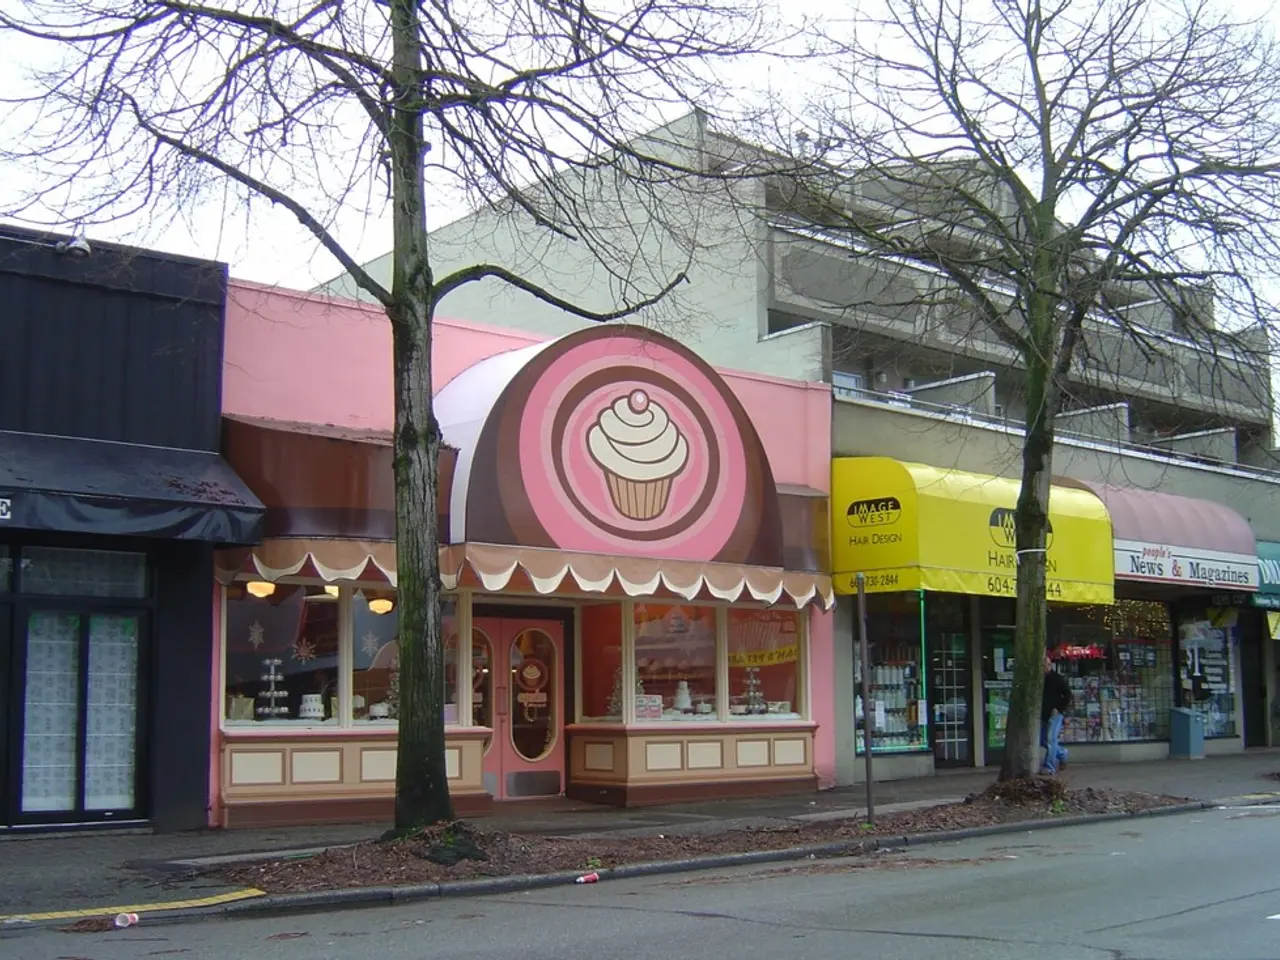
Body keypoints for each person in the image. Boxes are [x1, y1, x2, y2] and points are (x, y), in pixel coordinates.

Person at [1041, 653, 1072, 775]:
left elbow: (1068, 695)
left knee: (1050, 739)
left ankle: (1049, 767)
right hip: (1044, 714)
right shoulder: (1040, 680)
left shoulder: (1057, 679)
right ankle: (1062, 753)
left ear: (1048, 665)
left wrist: (1059, 708)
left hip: (1055, 714)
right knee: (1043, 740)